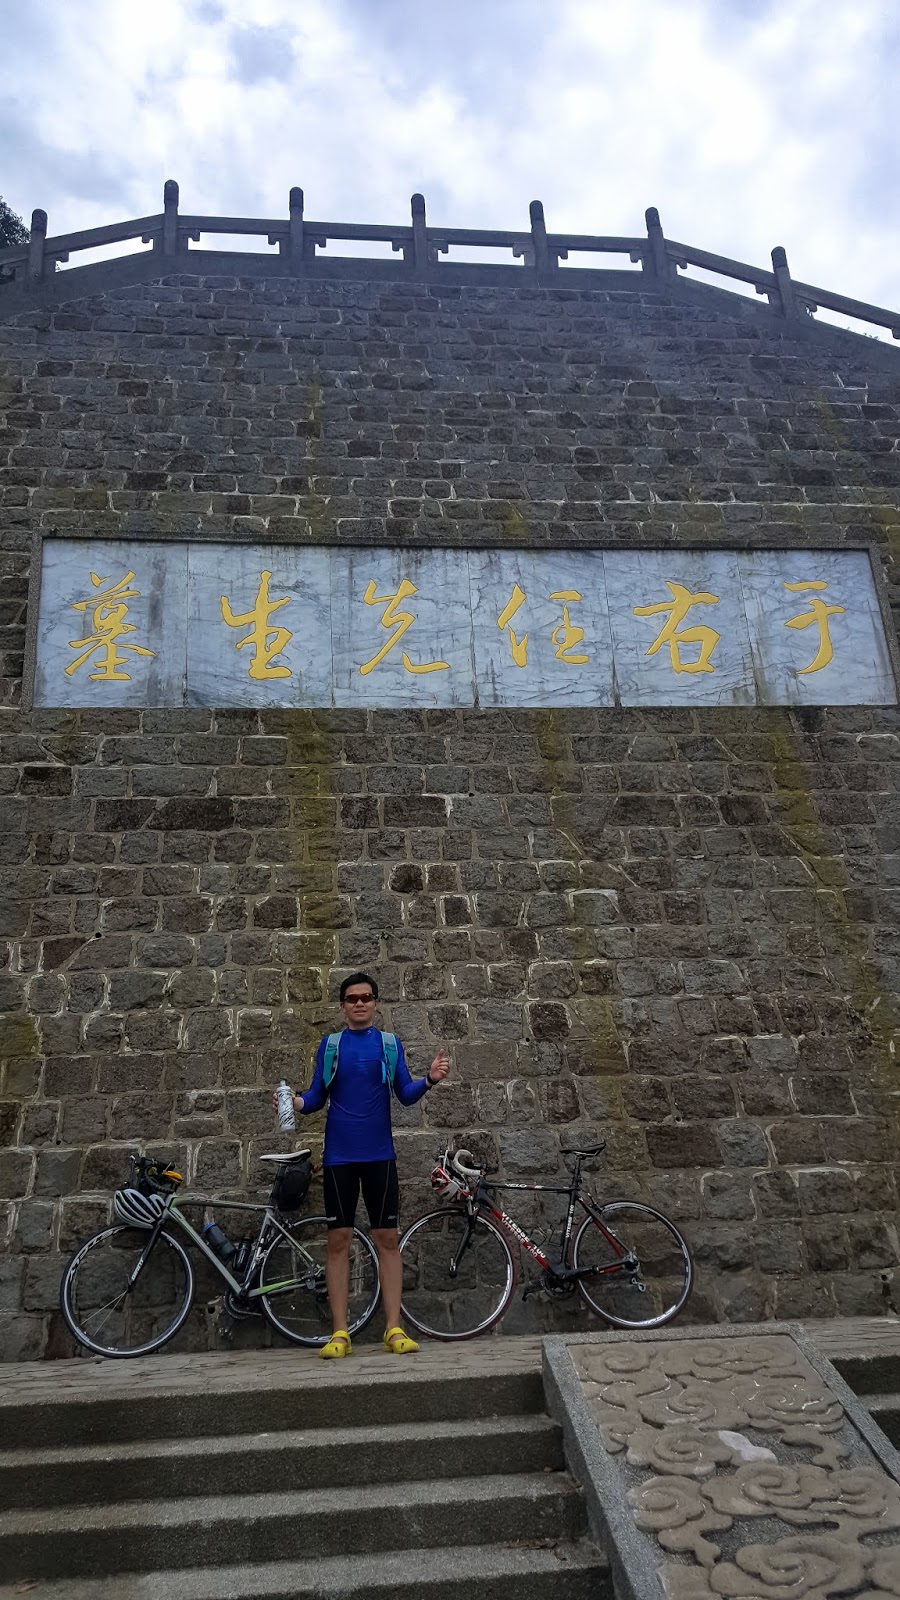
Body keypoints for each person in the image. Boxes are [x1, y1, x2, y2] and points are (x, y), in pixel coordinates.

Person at [275, 971, 450, 1358]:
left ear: (375, 1003)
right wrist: (295, 1103)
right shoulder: (331, 1046)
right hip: (339, 1158)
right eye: (352, 998)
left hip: (380, 1157)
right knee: (338, 1241)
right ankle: (340, 1333)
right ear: (342, 1006)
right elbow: (316, 1097)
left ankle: (393, 1328)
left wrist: (429, 1079)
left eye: (366, 997)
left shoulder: (389, 1044)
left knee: (387, 1239)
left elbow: (404, 1094)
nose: (359, 1003)